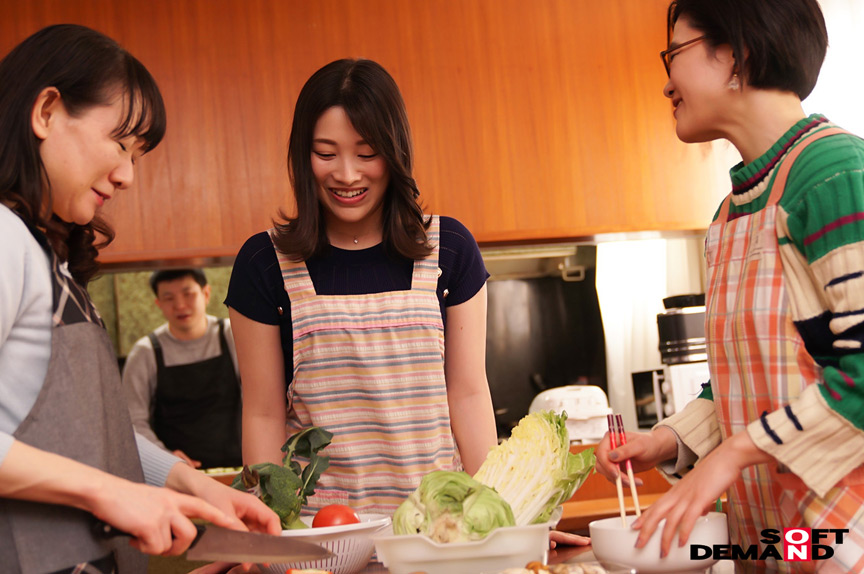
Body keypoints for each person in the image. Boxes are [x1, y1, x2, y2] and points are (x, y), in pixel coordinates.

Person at [0, 24, 279, 574]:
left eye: (139, 155)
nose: (127, 175)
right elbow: (92, 472)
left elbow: (89, 437)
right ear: (47, 112)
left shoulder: (45, 256)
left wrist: (197, 490)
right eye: (120, 144)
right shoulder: (4, 239)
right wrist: (107, 492)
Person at [595, 1, 864, 571]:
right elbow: (748, 383)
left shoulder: (836, 175)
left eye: (675, 53)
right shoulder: (730, 214)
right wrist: (667, 441)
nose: (667, 82)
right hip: (774, 541)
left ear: (737, 52)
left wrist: (734, 456)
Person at [226, 58, 500, 515]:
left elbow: (469, 395)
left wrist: (501, 518)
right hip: (323, 536)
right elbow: (263, 414)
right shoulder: (264, 263)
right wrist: (272, 532)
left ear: (395, 152)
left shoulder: (449, 249)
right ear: (302, 154)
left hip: (439, 533)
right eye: (326, 153)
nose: (347, 175)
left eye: (367, 152)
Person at [123, 268, 242, 469]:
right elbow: (133, 422)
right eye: (168, 298)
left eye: (188, 294)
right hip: (177, 474)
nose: (180, 305)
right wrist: (165, 458)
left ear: (206, 294)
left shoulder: (233, 335)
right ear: (158, 304)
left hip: (241, 467)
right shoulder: (145, 352)